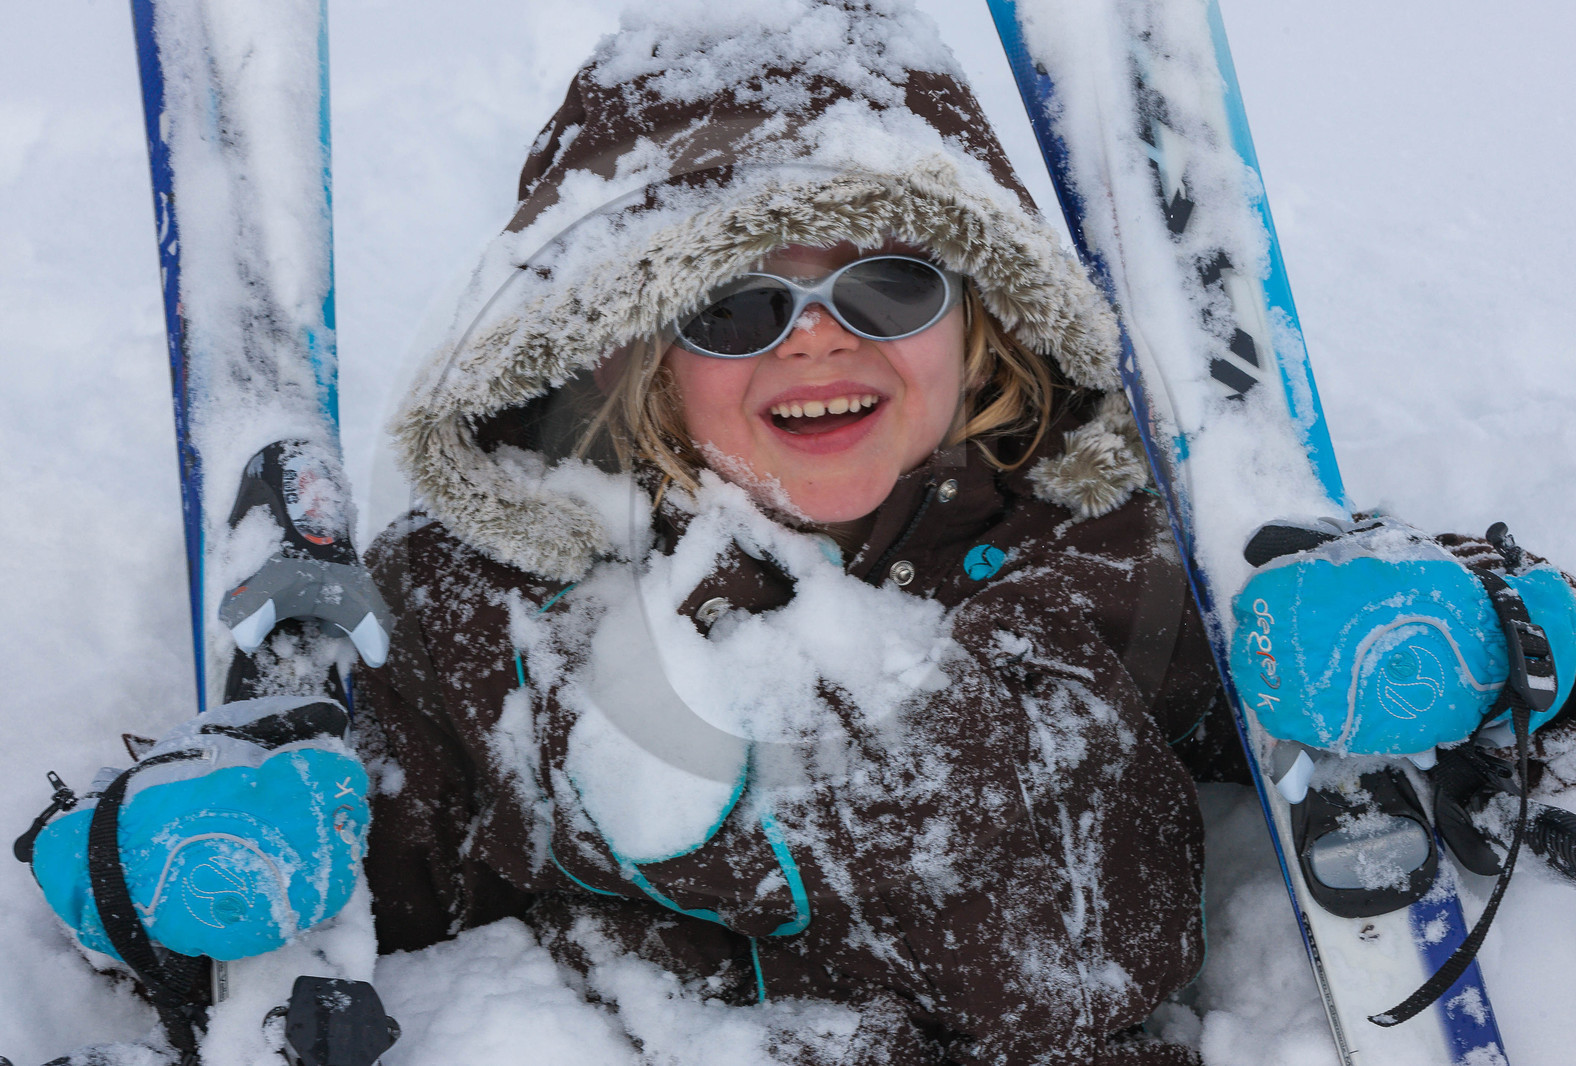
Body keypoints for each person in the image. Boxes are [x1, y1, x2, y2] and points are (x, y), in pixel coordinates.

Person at [352, 3, 1224, 1063]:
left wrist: (1393, 639)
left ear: (983, 311)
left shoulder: (1105, 551)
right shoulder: (489, 606)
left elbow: (1068, 946)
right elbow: (368, 879)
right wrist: (224, 862)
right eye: (734, 304)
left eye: (889, 285)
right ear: (627, 345)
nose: (816, 339)